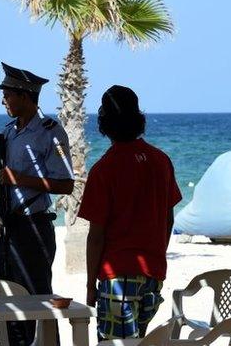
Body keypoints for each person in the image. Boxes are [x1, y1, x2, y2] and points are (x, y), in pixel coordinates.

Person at [78, 85, 182, 341]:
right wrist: (156, 254)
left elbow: (97, 236)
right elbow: (168, 219)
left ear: (105, 123)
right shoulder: (161, 161)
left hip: (117, 278)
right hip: (153, 275)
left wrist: (91, 284)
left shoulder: (104, 170)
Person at [0, 62, 74, 345]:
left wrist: (20, 179)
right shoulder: (8, 133)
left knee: (38, 300)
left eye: (8, 94)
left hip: (33, 228)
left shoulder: (50, 131)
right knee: (5, 298)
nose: (3, 100)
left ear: (25, 95)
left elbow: (66, 184)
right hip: (4, 228)